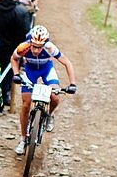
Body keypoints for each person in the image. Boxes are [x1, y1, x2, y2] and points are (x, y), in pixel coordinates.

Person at [10, 25, 77, 155]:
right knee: (26, 104)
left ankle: (49, 115)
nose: (35, 50)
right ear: (30, 42)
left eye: (39, 47)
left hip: (46, 69)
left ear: (44, 44)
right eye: (33, 46)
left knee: (55, 97)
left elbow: (67, 62)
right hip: (30, 71)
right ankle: (23, 139)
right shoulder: (23, 47)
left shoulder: (50, 48)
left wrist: (72, 83)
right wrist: (16, 74)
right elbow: (14, 59)